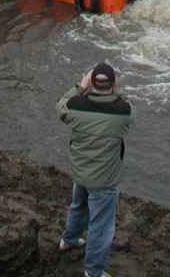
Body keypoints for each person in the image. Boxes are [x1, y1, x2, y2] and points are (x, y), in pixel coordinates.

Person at [56, 62, 132, 277]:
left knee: (78, 205)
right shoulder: (122, 112)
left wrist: (80, 87)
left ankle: (69, 239)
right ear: (113, 84)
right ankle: (94, 271)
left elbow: (60, 105)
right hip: (104, 180)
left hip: (80, 171)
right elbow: (128, 103)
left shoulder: (75, 106)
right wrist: (115, 89)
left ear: (91, 83)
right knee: (101, 227)